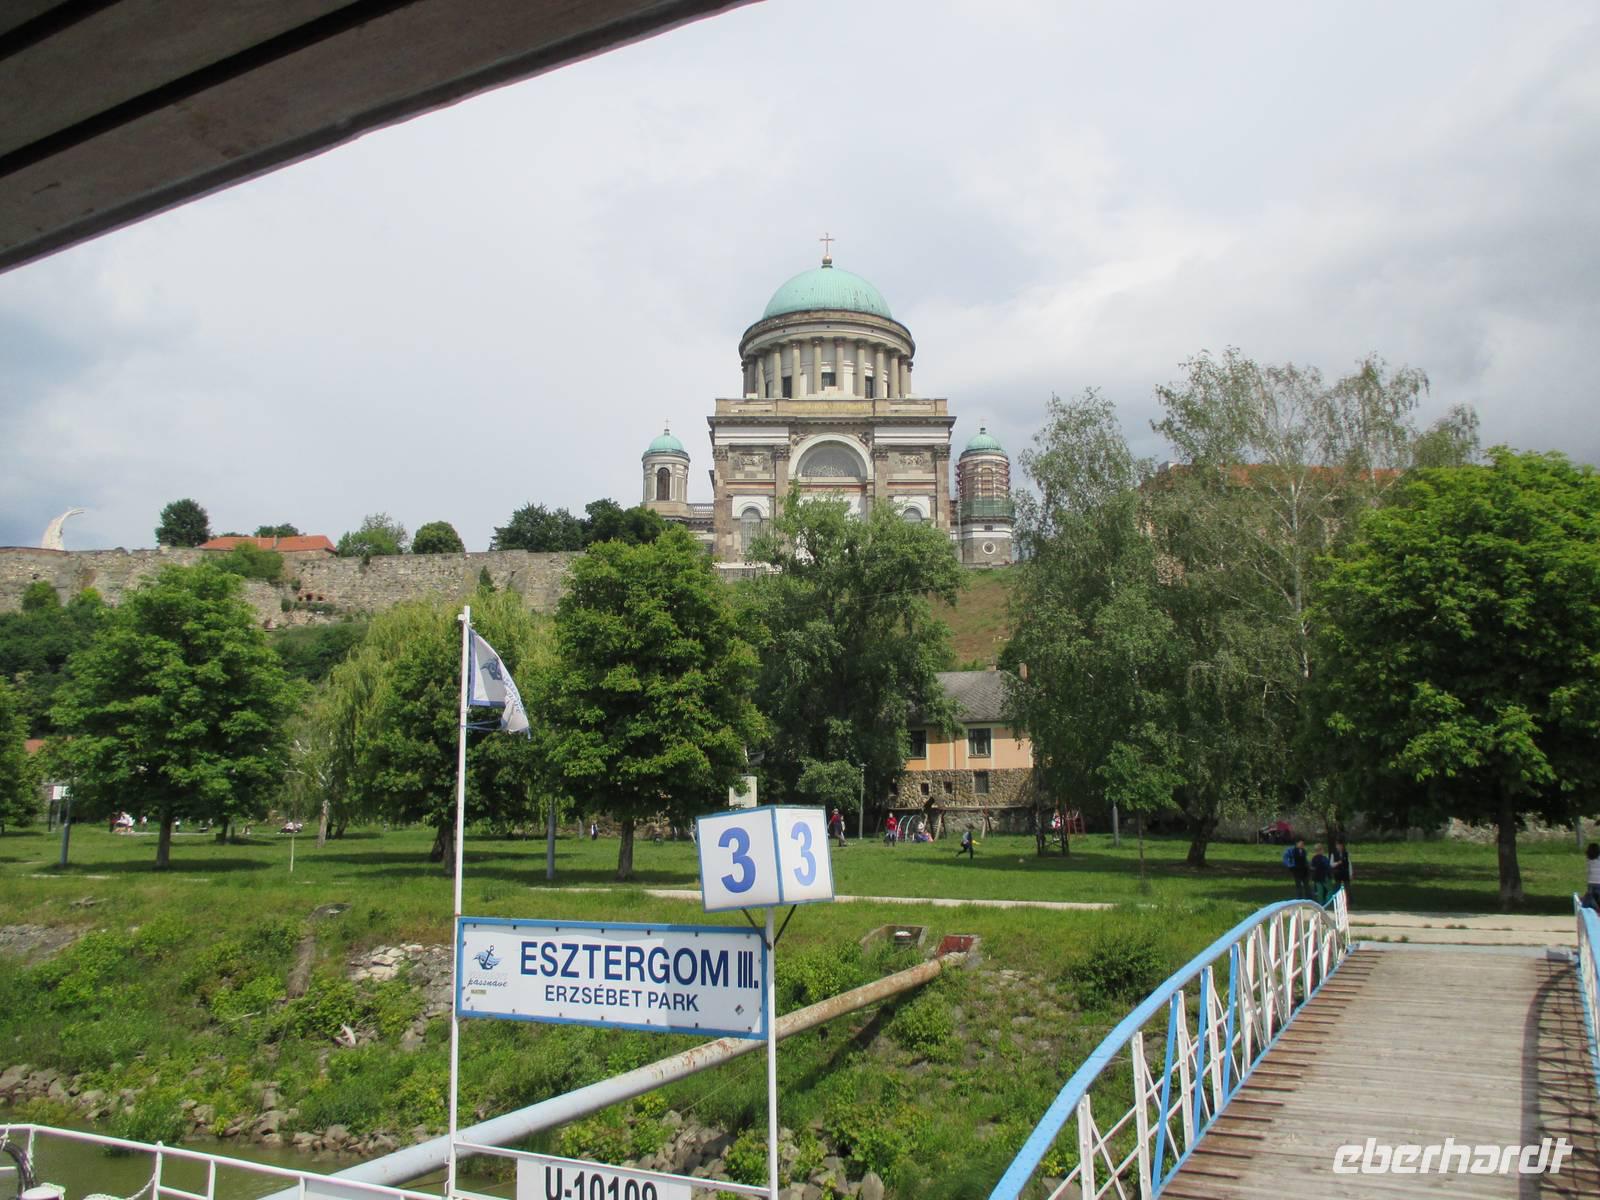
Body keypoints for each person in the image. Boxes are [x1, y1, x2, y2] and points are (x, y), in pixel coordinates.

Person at [1585, 843, 1600, 911]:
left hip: (1590, 881)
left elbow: (1588, 870)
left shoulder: (1588, 859)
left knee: (1591, 897)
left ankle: (1595, 909)